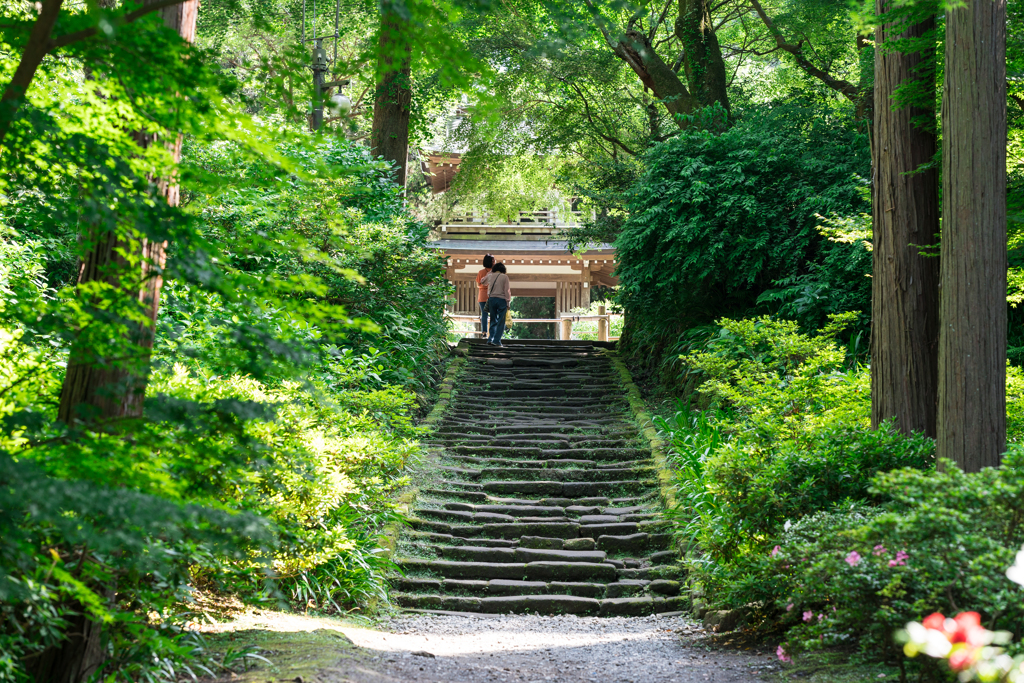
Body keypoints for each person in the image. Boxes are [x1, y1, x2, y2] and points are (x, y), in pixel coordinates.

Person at [485, 262, 511, 347]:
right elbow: (507, 290)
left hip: (492, 299)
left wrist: (489, 273)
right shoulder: (505, 277)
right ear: (503, 269)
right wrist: (508, 302)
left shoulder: (490, 276)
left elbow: (482, 282)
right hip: (502, 300)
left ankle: (490, 339)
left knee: (493, 320)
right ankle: (496, 341)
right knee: (501, 321)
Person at [475, 254, 495, 340]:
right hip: (492, 295)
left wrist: (484, 286)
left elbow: (478, 285)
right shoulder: (495, 272)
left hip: (482, 296)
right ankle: (493, 333)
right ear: (491, 262)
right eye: (494, 260)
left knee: (484, 314)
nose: (495, 261)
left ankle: (484, 333)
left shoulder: (481, 272)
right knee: (494, 314)